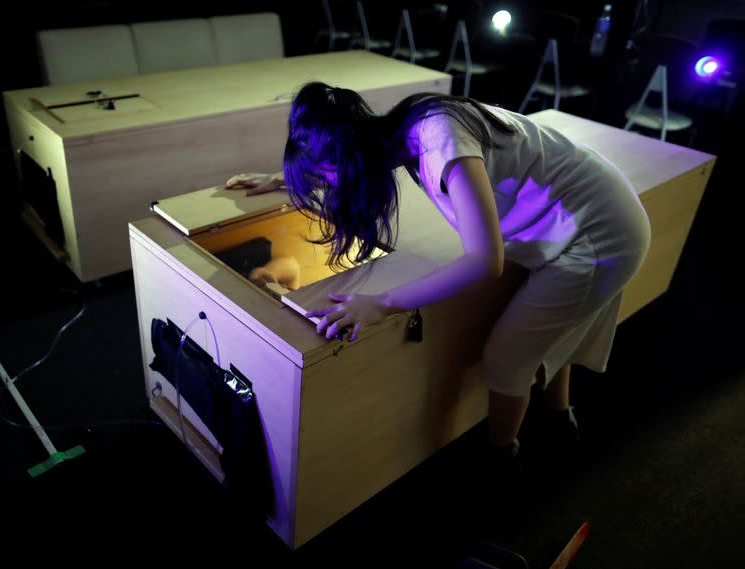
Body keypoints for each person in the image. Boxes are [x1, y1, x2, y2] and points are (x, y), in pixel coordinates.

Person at [225, 82, 651, 477]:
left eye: (326, 176)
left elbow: (485, 261)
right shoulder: (405, 129)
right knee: (553, 333)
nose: (330, 188)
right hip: (579, 215)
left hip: (598, 234)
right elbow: (357, 163)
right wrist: (287, 180)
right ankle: (560, 427)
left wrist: (383, 302)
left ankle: (499, 461)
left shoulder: (440, 139)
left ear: (349, 156)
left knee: (506, 358)